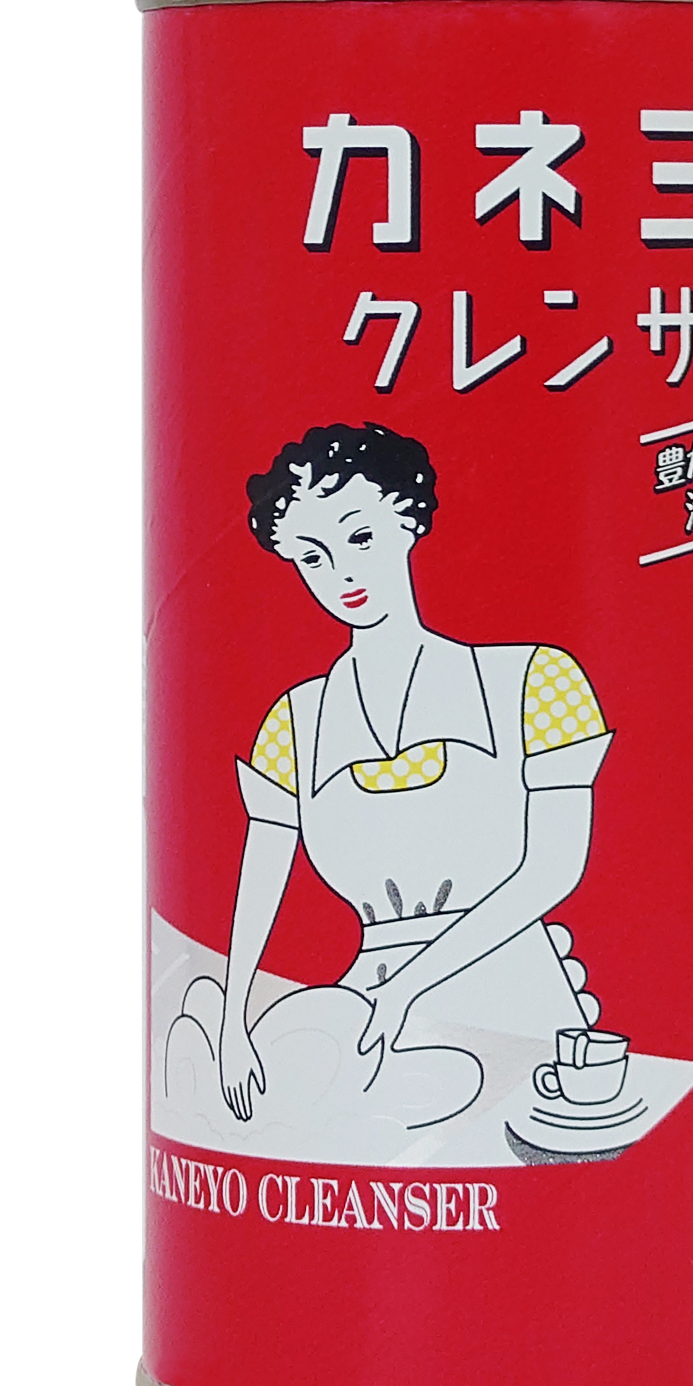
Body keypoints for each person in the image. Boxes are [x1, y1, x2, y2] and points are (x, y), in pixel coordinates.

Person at [184, 422, 614, 1128]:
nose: (342, 576)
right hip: (364, 1016)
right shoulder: (295, 724)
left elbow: (553, 868)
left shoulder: (533, 682)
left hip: (513, 998)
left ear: (409, 522)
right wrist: (234, 1025)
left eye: (361, 538)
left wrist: (410, 987)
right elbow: (258, 887)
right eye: (313, 557)